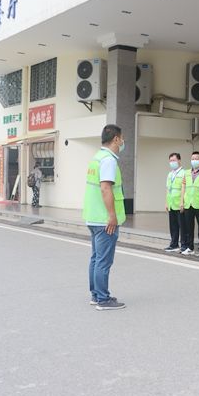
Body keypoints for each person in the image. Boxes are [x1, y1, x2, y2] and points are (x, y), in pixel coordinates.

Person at [83, 124, 126, 310]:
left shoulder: (97, 158)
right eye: (122, 138)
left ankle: (96, 295)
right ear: (116, 139)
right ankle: (103, 299)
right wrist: (112, 216)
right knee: (103, 261)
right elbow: (106, 188)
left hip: (93, 217)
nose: (123, 142)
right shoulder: (108, 160)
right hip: (104, 220)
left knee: (96, 259)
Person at [183, 151, 199, 256]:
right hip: (188, 203)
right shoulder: (186, 172)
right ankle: (190, 247)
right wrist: (182, 201)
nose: (194, 161)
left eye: (196, 159)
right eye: (192, 159)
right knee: (189, 227)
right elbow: (184, 187)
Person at [164, 153, 187, 253]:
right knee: (173, 226)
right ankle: (173, 244)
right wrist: (166, 202)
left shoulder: (184, 173)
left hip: (179, 203)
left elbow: (184, 189)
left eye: (174, 160)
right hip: (171, 203)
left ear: (179, 160)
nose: (172, 162)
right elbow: (168, 189)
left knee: (182, 226)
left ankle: (184, 245)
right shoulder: (170, 174)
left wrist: (182, 202)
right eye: (170, 161)